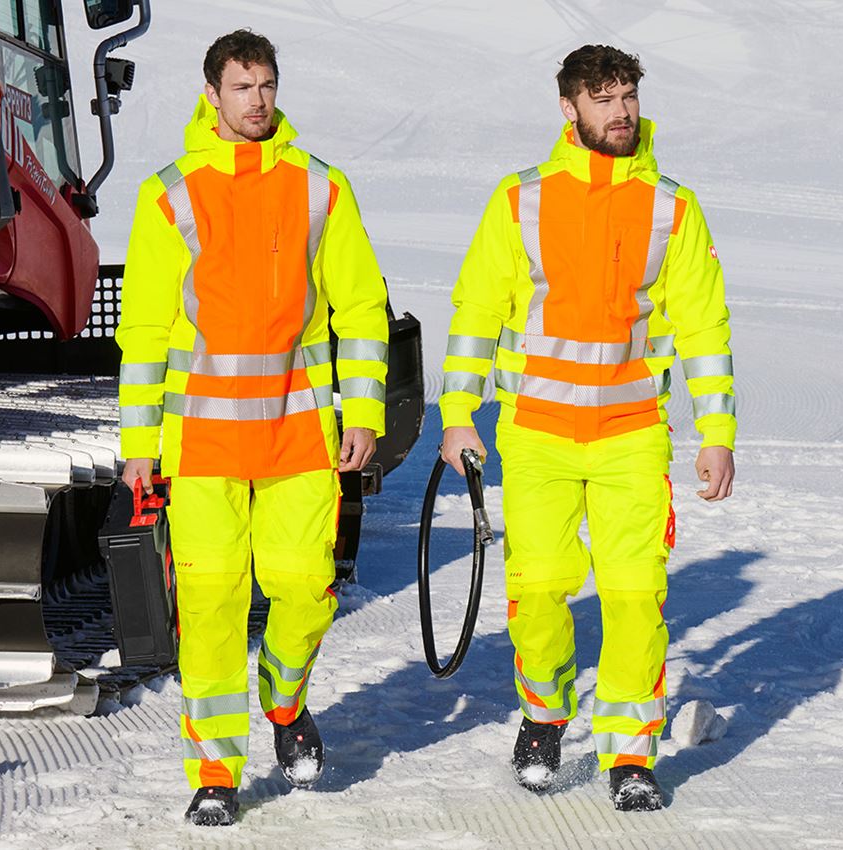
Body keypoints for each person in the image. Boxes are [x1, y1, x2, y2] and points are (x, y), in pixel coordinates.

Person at [439, 44, 735, 811]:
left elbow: (704, 328)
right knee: (538, 590)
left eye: (628, 95)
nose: (621, 112)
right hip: (536, 434)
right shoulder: (519, 200)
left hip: (633, 433)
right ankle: (544, 715)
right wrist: (459, 415)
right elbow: (477, 313)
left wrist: (717, 431)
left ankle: (631, 752)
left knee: (636, 593)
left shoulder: (673, 206)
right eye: (603, 99)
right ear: (569, 109)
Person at [116, 29, 389, 827]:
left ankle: (284, 696)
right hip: (201, 448)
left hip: (298, 438)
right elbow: (145, 331)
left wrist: (365, 412)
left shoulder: (319, 188)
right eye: (242, 88)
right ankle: (215, 768)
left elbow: (361, 308)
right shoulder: (168, 194)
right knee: (208, 609)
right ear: (211, 95)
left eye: (267, 85)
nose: (259, 100)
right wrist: (139, 447)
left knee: (306, 589)